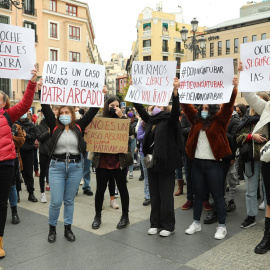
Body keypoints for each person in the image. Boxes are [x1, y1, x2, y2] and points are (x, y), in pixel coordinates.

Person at [41, 85, 108, 243]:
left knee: (69, 200)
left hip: (75, 167)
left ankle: (68, 228)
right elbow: (44, 106)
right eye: (62, 112)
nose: (64, 115)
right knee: (56, 201)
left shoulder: (79, 126)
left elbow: (92, 111)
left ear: (72, 113)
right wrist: (40, 90)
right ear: (58, 114)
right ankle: (52, 228)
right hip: (56, 167)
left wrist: (101, 95)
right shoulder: (54, 126)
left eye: (67, 112)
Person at [182, 78, 238, 240]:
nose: (203, 109)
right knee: (198, 196)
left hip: (214, 165)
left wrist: (234, 88)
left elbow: (227, 107)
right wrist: (179, 90)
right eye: (202, 107)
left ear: (212, 109)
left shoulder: (220, 120)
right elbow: (186, 106)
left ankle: (222, 226)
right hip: (197, 164)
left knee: (218, 196)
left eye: (207, 108)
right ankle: (195, 223)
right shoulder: (195, 119)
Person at [133, 78, 183, 237]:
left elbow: (176, 111)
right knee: (154, 193)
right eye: (155, 106)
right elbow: (140, 109)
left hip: (166, 163)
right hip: (151, 162)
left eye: (160, 105)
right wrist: (135, 92)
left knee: (166, 195)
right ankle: (155, 223)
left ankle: (168, 226)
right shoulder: (150, 121)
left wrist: (175, 93)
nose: (157, 108)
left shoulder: (170, 120)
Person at [0, 66, 38, 259]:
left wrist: (31, 83)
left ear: (3, 102)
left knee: (2, 202)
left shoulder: (8, 116)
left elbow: (24, 105)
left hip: (6, 164)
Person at [91, 96, 133, 230]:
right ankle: (97, 216)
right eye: (112, 105)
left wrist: (122, 118)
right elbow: (92, 133)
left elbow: (131, 133)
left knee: (122, 188)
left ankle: (125, 216)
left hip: (118, 161)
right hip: (102, 161)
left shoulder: (123, 119)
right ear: (106, 106)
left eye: (117, 105)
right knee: (100, 189)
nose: (114, 108)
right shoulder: (100, 119)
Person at [241, 87, 270, 254]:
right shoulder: (267, 106)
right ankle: (267, 237)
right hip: (267, 158)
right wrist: (245, 77)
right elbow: (251, 98)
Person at [236, 92, 269, 229]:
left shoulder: (266, 116)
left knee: (268, 190)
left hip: (266, 158)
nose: (256, 105)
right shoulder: (246, 120)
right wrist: (251, 136)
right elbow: (238, 137)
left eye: (260, 101)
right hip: (250, 158)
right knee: (250, 190)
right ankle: (251, 216)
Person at [16, 111, 37, 202]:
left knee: (28, 173)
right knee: (17, 173)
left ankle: (31, 193)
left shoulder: (31, 124)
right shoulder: (15, 124)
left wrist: (26, 135)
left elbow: (33, 136)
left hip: (28, 151)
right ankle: (17, 194)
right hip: (17, 151)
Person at [8, 123, 25, 224]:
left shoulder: (15, 126)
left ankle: (14, 212)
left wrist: (10, 137)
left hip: (11, 159)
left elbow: (21, 141)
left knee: (12, 186)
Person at [36, 110, 51, 203]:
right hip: (44, 152)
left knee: (54, 173)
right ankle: (43, 193)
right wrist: (48, 132)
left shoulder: (54, 123)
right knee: (43, 172)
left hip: (53, 152)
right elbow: (39, 138)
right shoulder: (39, 125)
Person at [137, 120, 150, 206]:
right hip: (144, 154)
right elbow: (139, 137)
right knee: (146, 175)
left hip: (156, 153)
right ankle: (147, 196)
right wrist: (148, 132)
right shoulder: (142, 124)